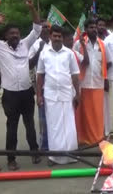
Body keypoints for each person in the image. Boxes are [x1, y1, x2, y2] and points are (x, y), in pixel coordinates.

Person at [0, 0, 41, 170]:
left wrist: (31, 8)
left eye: (16, 33)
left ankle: (35, 153)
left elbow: (37, 27)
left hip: (26, 92)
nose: (15, 35)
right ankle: (11, 159)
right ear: (5, 36)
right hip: (10, 95)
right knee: (12, 127)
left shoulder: (25, 44)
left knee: (30, 124)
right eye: (11, 33)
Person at [36, 25, 80, 165]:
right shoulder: (44, 53)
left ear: (62, 38)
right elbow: (40, 75)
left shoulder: (69, 53)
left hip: (67, 94)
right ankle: (54, 157)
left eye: (59, 36)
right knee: (53, 126)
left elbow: (75, 75)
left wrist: (77, 94)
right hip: (50, 95)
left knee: (68, 125)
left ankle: (71, 155)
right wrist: (39, 95)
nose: (56, 38)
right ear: (50, 36)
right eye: (54, 36)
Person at [74, 19, 111, 145]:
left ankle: (97, 138)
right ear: (85, 29)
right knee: (84, 114)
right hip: (83, 84)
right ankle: (84, 139)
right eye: (90, 27)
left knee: (97, 114)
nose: (94, 29)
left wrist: (105, 80)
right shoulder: (79, 44)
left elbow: (107, 62)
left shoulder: (103, 44)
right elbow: (74, 62)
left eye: (95, 27)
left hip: (97, 84)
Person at [28, 19, 50, 151]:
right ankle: (45, 145)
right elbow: (30, 65)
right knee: (44, 118)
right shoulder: (35, 44)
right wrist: (40, 50)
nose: (46, 29)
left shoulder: (55, 41)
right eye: (44, 27)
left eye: (48, 27)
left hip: (57, 87)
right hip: (42, 86)